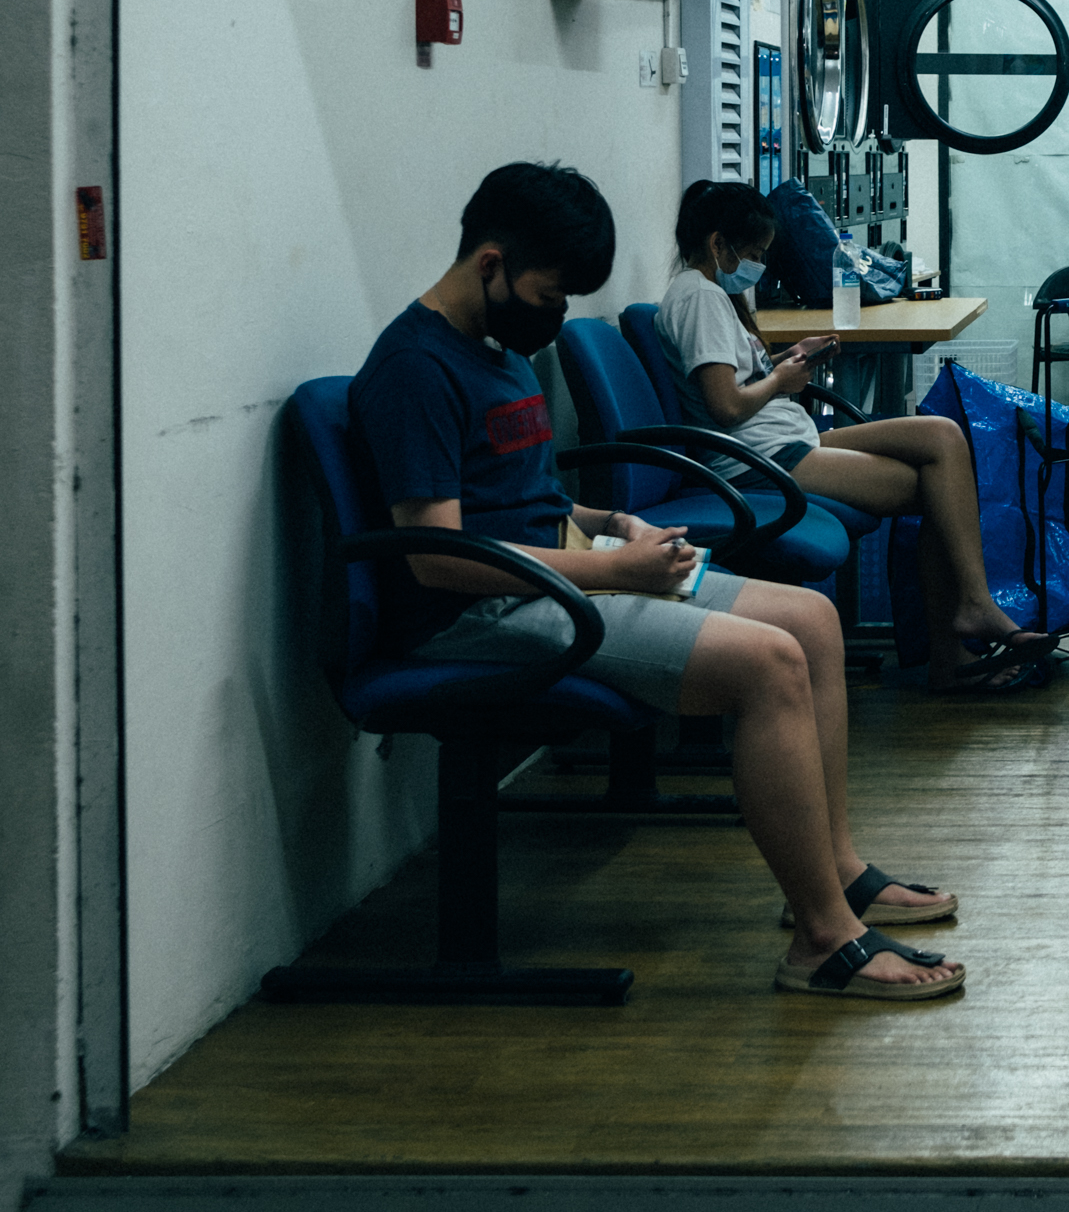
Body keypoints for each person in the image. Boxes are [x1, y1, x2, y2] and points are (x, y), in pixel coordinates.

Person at [348, 162, 963, 1001]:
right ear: (490, 264)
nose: (557, 316)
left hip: (561, 573)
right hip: (484, 609)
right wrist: (610, 570)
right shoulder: (415, 367)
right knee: (770, 664)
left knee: (812, 620)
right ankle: (823, 938)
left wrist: (612, 525)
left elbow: (520, 496)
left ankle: (837, 871)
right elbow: (436, 555)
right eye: (550, 292)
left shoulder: (492, 350)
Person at [656, 179, 1055, 690]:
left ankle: (971, 612)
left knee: (943, 436)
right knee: (938, 490)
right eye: (753, 253)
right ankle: (957, 640)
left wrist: (788, 359)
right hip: (761, 457)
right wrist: (782, 379)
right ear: (718, 244)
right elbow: (726, 405)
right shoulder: (700, 299)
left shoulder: (709, 296)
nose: (757, 264)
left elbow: (737, 382)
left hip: (786, 440)